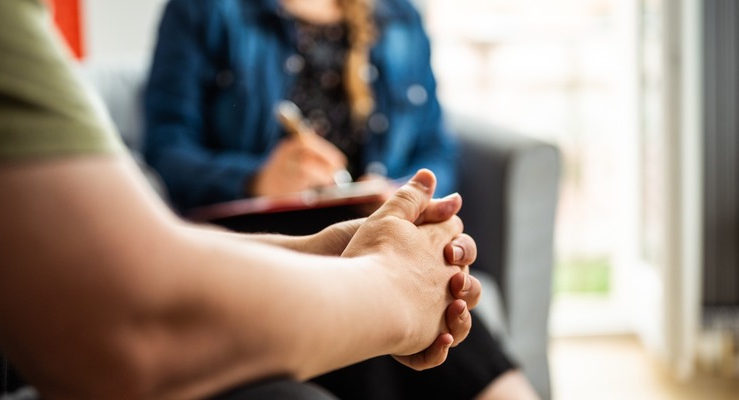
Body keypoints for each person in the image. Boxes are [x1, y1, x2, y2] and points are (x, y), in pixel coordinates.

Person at [0, 1, 482, 399]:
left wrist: (325, 251)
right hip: (247, 214)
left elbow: (72, 267)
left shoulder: (398, 17)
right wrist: (392, 288)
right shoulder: (205, 11)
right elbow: (130, 320)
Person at [143, 0, 540, 399]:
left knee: (420, 273)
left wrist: (402, 192)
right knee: (380, 278)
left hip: (374, 221)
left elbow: (434, 147)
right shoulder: (205, 10)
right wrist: (255, 178)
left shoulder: (399, 15)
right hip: (263, 232)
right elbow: (165, 152)